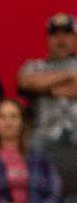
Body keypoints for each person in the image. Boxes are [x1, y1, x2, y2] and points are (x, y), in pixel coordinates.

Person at [17, 14, 77, 149]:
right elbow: (26, 82)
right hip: (44, 132)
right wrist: (70, 76)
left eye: (67, 34)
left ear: (75, 37)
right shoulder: (34, 66)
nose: (61, 39)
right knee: (30, 148)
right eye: (55, 34)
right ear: (48, 39)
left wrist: (44, 90)